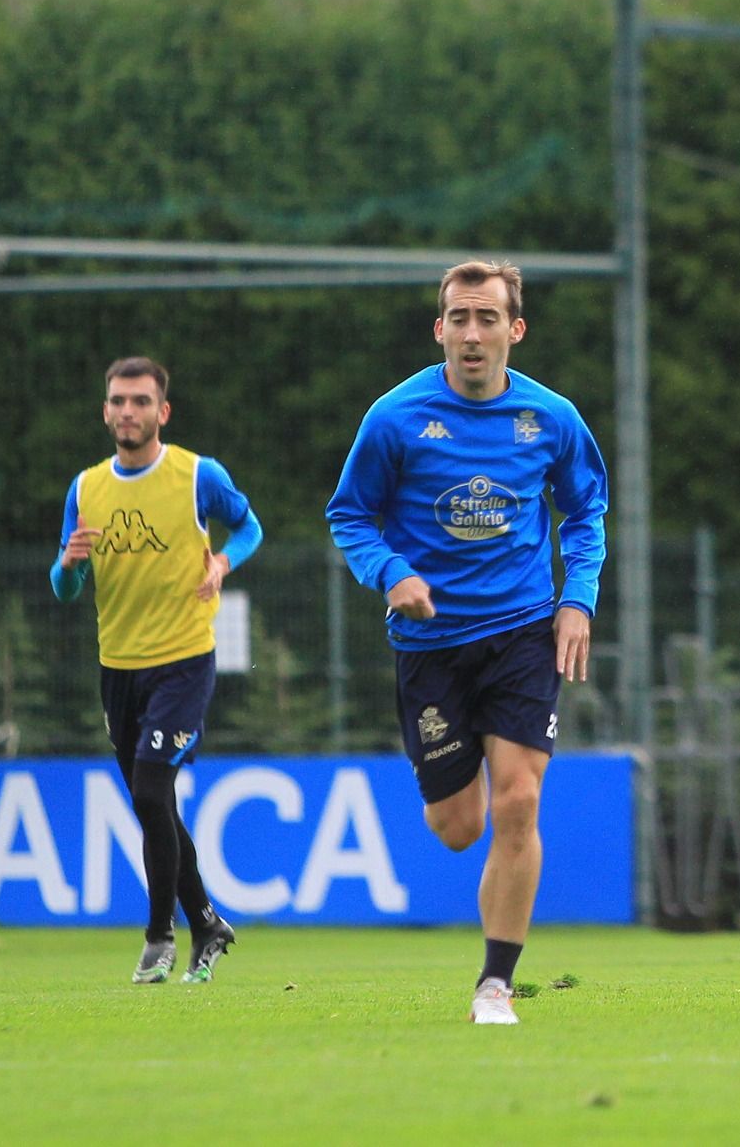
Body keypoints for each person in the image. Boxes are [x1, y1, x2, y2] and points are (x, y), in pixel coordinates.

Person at [326, 260, 608, 1025]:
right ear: (440, 329)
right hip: (430, 642)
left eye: (488, 318)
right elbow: (350, 515)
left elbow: (586, 513)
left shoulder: (551, 418)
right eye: (460, 318)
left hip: (523, 631)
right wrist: (392, 574)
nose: (473, 333)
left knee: (519, 801)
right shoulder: (395, 417)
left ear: (515, 330)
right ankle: (450, 794)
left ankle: (495, 985)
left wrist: (577, 600)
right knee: (461, 828)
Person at [51, 356, 261, 984]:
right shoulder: (86, 488)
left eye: (141, 401)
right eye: (117, 401)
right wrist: (67, 564)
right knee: (155, 802)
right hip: (118, 666)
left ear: (162, 412)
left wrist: (223, 563)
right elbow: (65, 588)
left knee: (147, 792)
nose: (128, 411)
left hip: (184, 660)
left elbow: (249, 527)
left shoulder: (197, 475)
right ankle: (207, 923)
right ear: (106, 410)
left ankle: (158, 936)